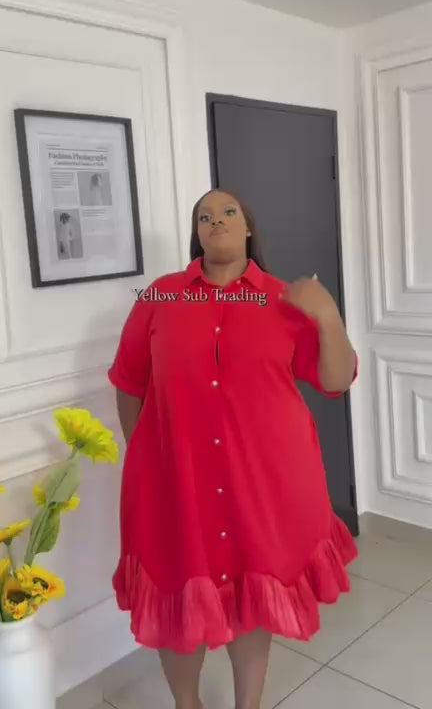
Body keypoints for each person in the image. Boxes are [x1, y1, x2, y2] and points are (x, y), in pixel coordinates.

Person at [108, 189, 358, 709]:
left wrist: (328, 316)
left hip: (265, 483)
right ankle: (188, 704)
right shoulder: (161, 297)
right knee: (178, 599)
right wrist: (147, 456)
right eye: (204, 216)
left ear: (248, 228)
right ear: (196, 233)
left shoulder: (284, 299)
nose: (215, 220)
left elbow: (336, 381)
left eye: (228, 212)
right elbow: (130, 382)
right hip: (177, 485)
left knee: (252, 596)